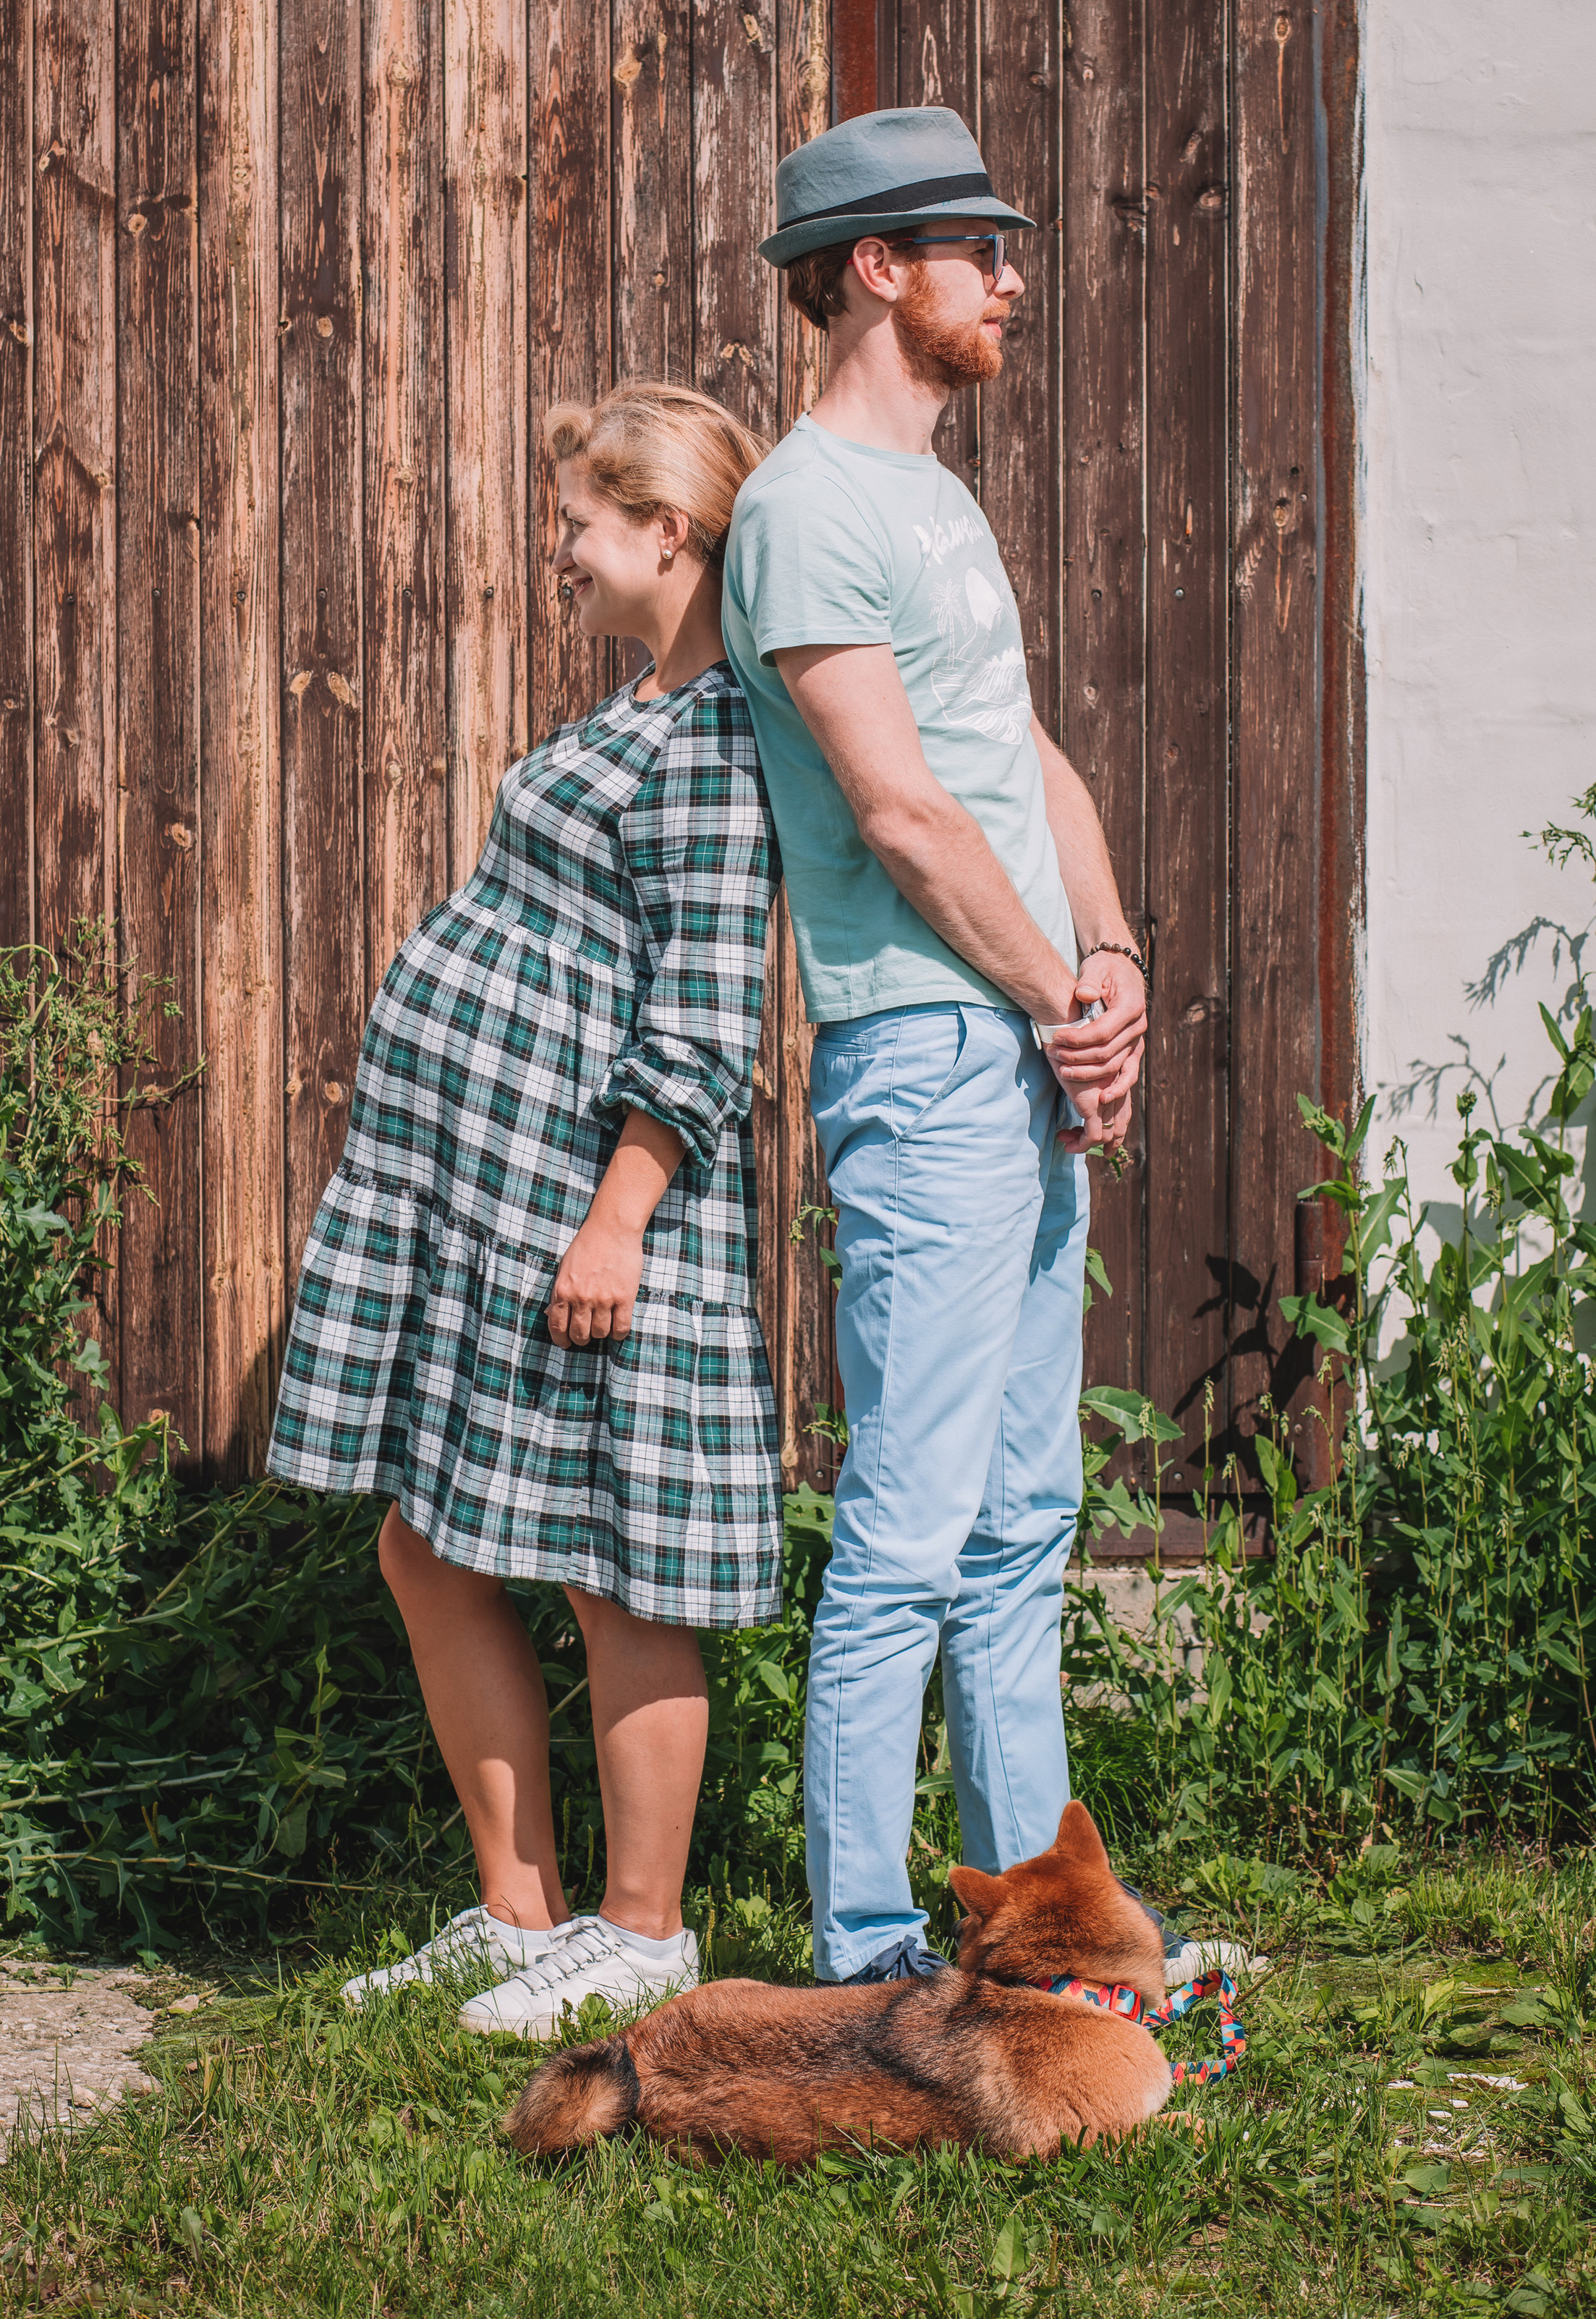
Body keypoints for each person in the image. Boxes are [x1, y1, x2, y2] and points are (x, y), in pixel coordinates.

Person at [266, 384, 781, 2041]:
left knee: (616, 1577)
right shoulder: (638, 706)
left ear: (666, 534)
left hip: (591, 1214)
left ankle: (639, 1936)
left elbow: (705, 1018)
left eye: (579, 521)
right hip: (493, 1198)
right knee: (425, 1543)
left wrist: (620, 1216)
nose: (558, 550)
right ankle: (513, 1913)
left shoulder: (710, 741)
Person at [720, 105, 1149, 1985]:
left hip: (1028, 1045)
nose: (1014, 280)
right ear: (877, 268)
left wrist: (1111, 948)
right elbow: (898, 811)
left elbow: (1020, 757)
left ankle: (1035, 1940)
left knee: (1021, 1520)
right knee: (906, 1524)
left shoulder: (942, 504)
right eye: (981, 249)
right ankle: (870, 1945)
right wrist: (1059, 1010)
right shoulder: (802, 508)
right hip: (929, 1054)